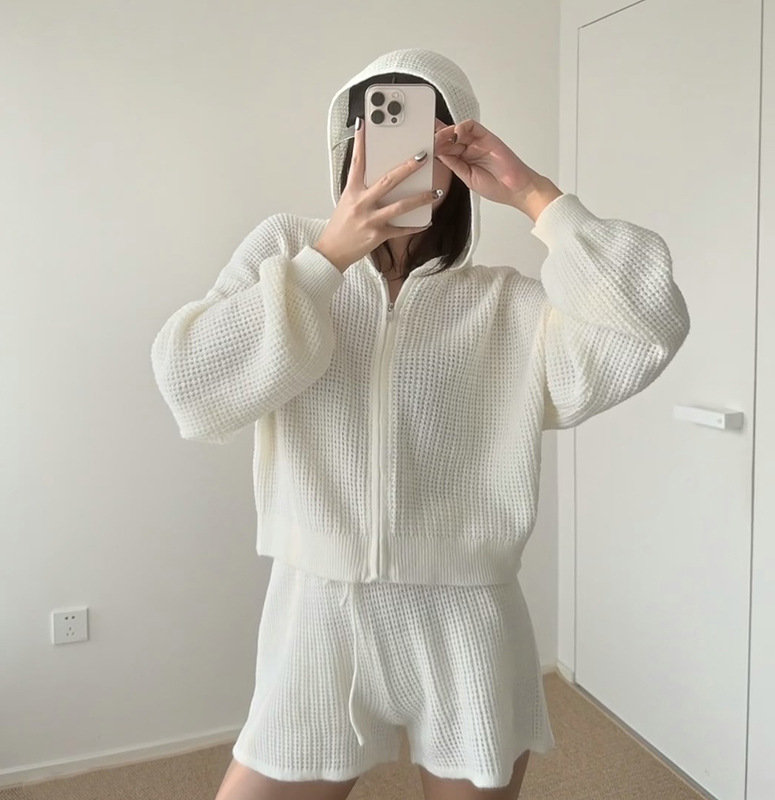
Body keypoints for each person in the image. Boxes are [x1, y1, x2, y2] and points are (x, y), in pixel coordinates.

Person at [150, 48, 690, 800]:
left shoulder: (507, 303)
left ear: (458, 150)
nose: (397, 156)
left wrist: (536, 196)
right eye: (377, 131)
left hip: (467, 619)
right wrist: (326, 260)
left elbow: (646, 324)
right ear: (347, 146)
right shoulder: (288, 253)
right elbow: (192, 382)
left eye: (421, 135)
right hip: (318, 615)